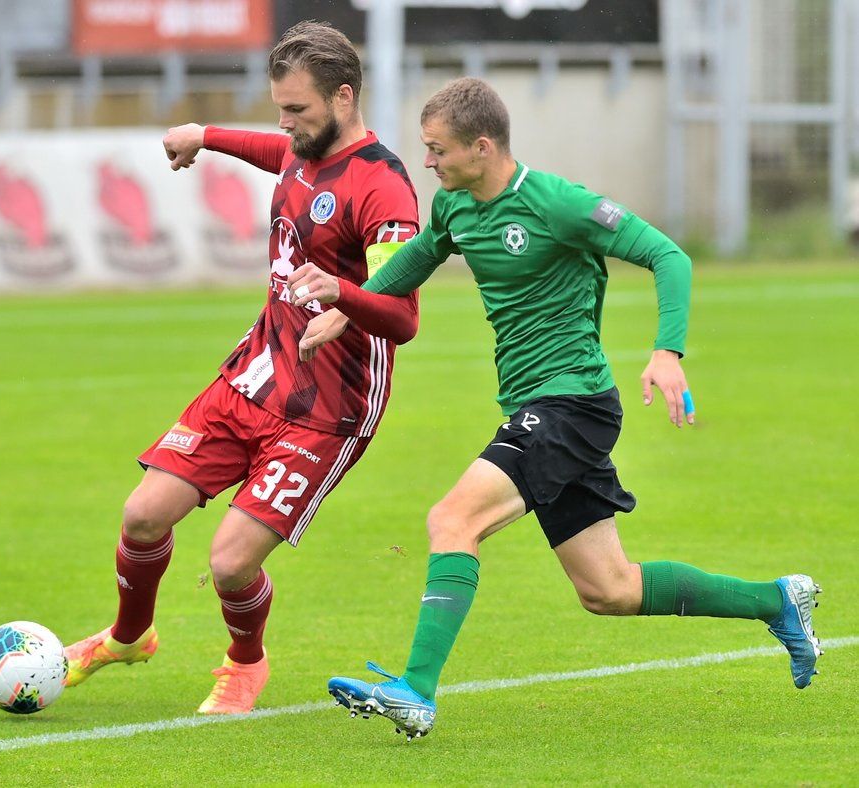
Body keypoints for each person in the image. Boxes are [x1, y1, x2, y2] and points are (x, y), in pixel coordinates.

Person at [287, 77, 822, 741]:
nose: (428, 163)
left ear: (482, 147)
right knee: (610, 590)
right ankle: (778, 600)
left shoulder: (557, 203)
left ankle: (416, 691)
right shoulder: (456, 205)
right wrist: (350, 303)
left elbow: (667, 255)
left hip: (571, 402)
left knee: (453, 519)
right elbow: (424, 254)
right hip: (540, 405)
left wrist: (669, 351)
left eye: (438, 150)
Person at [62, 21, 421, 715]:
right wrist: (205, 133)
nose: (285, 124)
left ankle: (244, 664)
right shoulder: (301, 149)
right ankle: (129, 637)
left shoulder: (384, 190)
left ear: (344, 98)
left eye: (298, 111)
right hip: (256, 373)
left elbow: (402, 316)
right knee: (142, 516)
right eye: (280, 108)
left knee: (230, 562)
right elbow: (276, 153)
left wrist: (342, 297)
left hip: (329, 406)